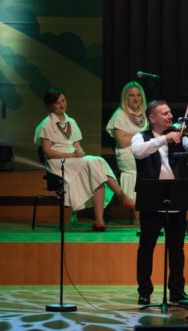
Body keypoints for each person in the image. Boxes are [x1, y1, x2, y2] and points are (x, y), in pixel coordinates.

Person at [130, 100, 188, 305]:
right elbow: (138, 152)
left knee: (176, 248)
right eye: (164, 113)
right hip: (152, 198)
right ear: (152, 118)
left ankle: (177, 291)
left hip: (177, 197)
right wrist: (164, 139)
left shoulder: (180, 138)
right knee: (147, 246)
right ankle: (144, 290)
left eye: (170, 113)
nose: (170, 116)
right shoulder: (141, 137)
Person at [34, 88, 132, 231]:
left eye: (63, 101)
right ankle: (121, 196)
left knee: (96, 167)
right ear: (50, 106)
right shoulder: (46, 124)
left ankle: (99, 221)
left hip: (73, 160)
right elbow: (47, 152)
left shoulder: (71, 121)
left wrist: (78, 152)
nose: (62, 105)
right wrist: (72, 155)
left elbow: (76, 146)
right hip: (57, 162)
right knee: (96, 162)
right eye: (57, 103)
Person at [105, 81, 149, 209]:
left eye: (138, 95)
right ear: (125, 98)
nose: (136, 99)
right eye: (131, 95)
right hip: (127, 153)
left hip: (140, 150)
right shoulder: (120, 114)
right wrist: (141, 136)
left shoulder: (144, 113)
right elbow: (122, 141)